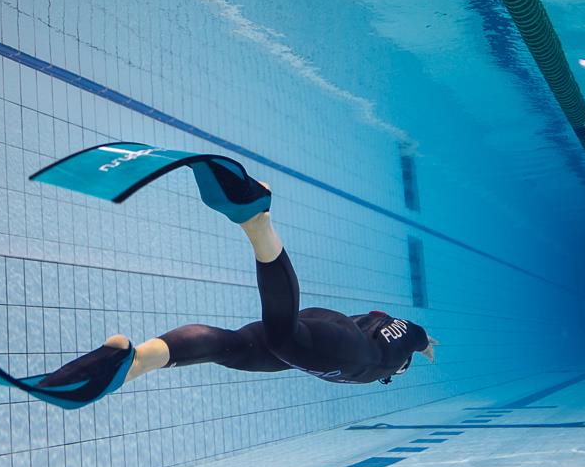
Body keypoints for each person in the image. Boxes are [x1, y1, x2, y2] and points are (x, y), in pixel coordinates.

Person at [36, 169, 436, 398]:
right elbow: (415, 334)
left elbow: (393, 329)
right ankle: (257, 221)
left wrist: (419, 340)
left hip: (321, 338)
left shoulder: (378, 332)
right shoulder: (391, 350)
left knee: (229, 347)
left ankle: (132, 361)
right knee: (284, 338)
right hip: (338, 347)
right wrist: (425, 343)